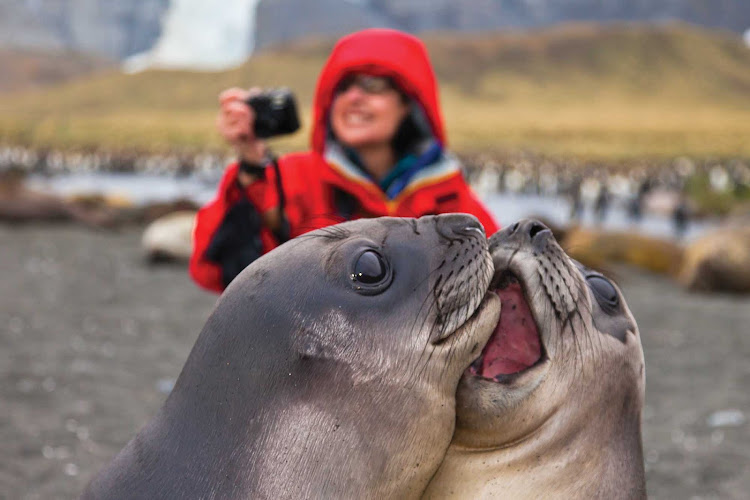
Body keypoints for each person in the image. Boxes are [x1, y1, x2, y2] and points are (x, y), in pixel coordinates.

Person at [190, 28, 499, 293]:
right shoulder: (294, 178)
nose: (353, 97)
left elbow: (494, 276)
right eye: (343, 87)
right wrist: (250, 168)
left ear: (408, 103)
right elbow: (216, 272)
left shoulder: (446, 194)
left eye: (372, 84)